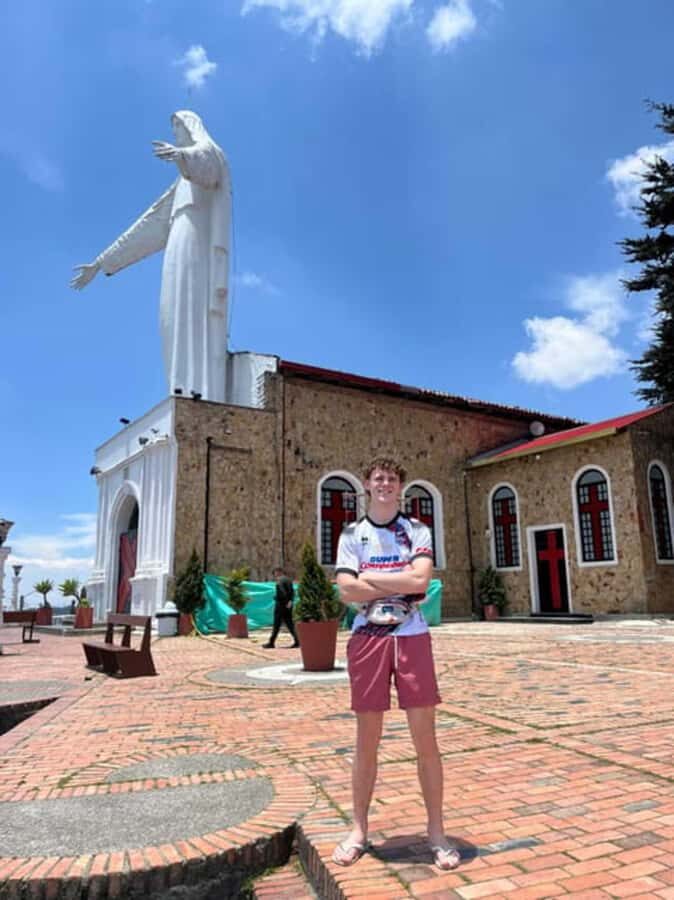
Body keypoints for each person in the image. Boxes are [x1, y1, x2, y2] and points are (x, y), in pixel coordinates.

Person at [331, 457, 460, 871]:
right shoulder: (352, 533)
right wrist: (397, 581)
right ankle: (359, 830)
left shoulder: (417, 530)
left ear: (401, 487)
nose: (385, 484)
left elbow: (421, 581)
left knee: (426, 739)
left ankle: (437, 832)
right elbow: (345, 591)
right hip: (367, 638)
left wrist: (370, 580)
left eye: (392, 479)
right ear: (366, 486)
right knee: (367, 739)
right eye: (378, 478)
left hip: (412, 637)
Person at [71, 111, 231, 403]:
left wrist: (183, 155)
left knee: (192, 308)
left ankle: (200, 390)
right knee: (171, 313)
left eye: (179, 129)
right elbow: (146, 225)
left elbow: (207, 162)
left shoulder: (208, 156)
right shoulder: (179, 188)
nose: (176, 136)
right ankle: (179, 388)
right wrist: (102, 262)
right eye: (174, 132)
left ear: (190, 127)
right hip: (177, 243)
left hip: (196, 240)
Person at [263, 567, 300, 649]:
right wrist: (290, 601)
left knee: (276, 624)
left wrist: (280, 599)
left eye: (275, 573)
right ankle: (298, 641)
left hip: (281, 605)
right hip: (289, 605)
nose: (275, 575)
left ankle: (271, 643)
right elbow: (292, 592)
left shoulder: (279, 580)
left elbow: (281, 592)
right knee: (290, 624)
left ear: (278, 572)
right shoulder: (289, 580)